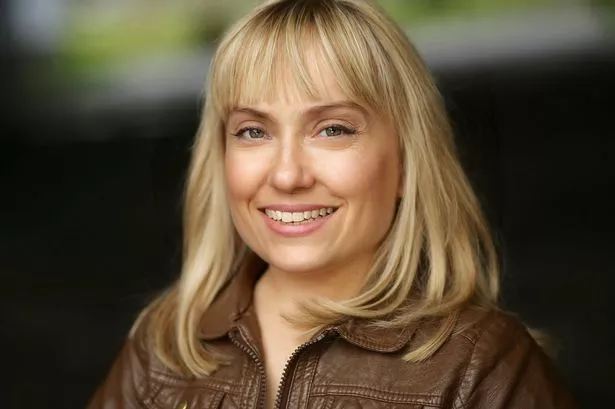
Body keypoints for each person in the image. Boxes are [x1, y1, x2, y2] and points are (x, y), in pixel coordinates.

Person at [87, 0, 576, 408]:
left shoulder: (482, 367)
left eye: (332, 129)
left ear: (407, 162)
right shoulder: (164, 350)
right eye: (253, 132)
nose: (287, 175)